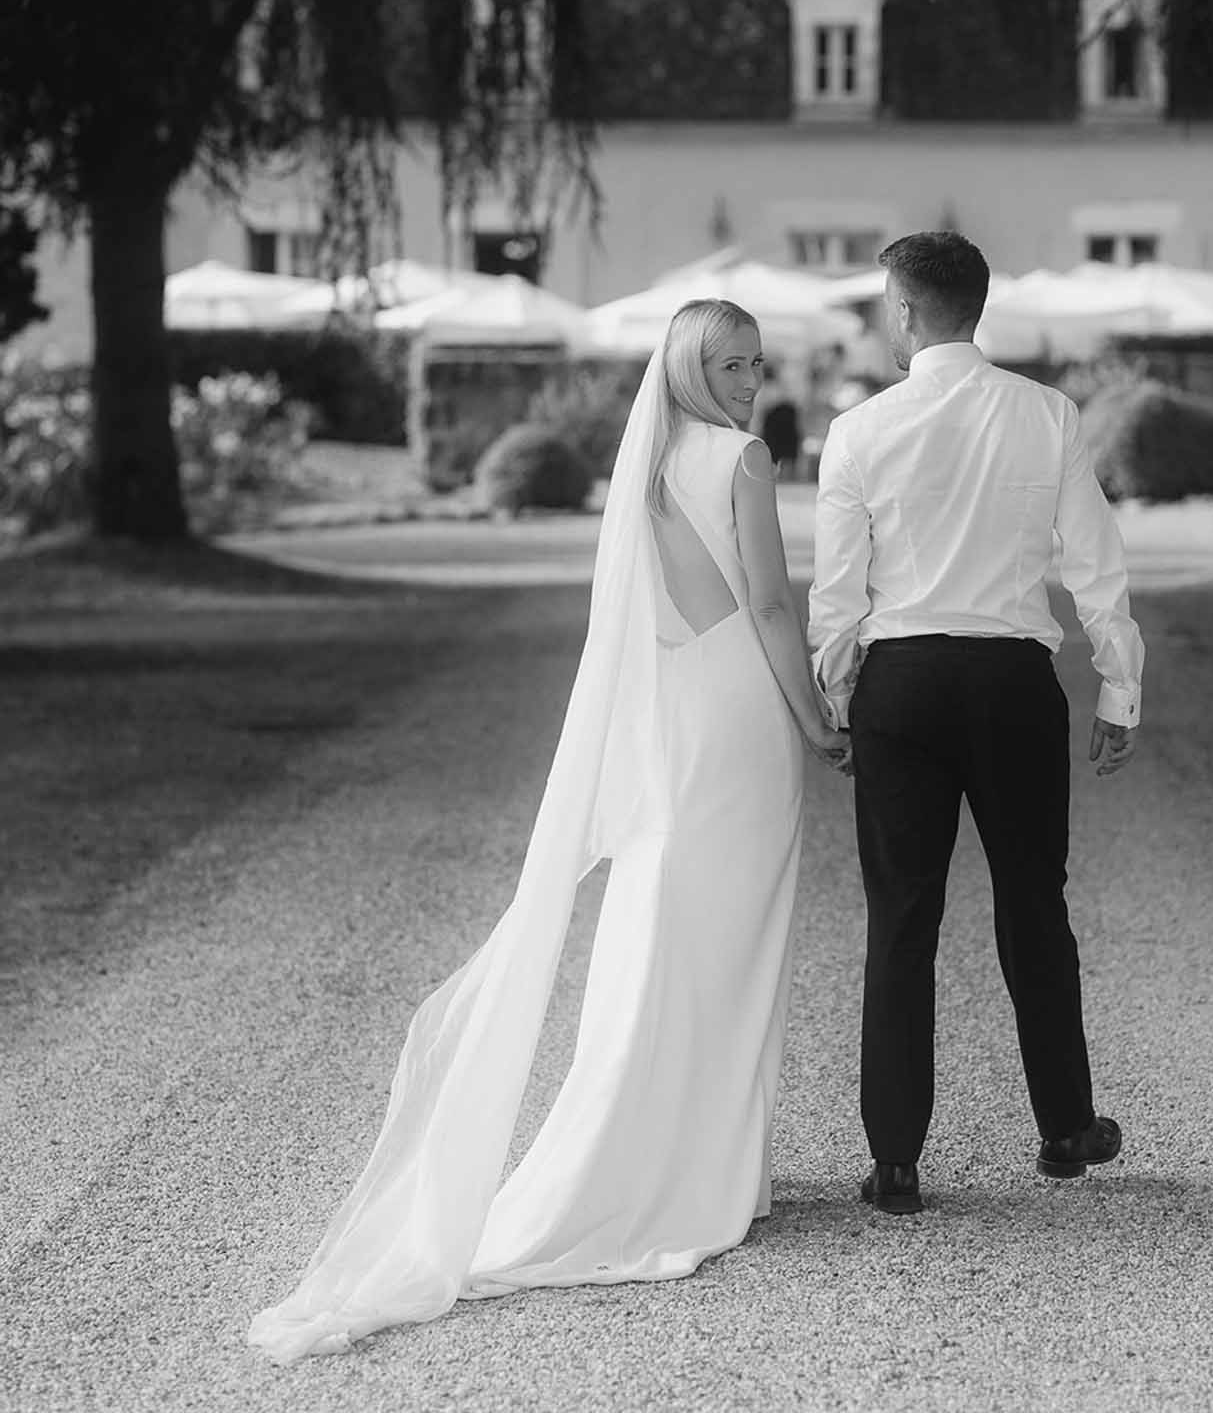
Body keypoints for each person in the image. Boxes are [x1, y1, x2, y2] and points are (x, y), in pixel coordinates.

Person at [249, 300, 850, 1363]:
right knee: (731, 932)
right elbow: (767, 605)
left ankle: (690, 1153)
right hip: (740, 710)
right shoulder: (743, 456)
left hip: (677, 708)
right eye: (730, 362)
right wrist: (816, 720)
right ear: (687, 367)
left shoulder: (648, 462)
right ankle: (708, 1168)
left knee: (672, 922)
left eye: (756, 361)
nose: (752, 378)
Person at [808, 232, 1143, 1216]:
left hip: (903, 684)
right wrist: (1119, 689)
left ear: (906, 312)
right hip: (1010, 683)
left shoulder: (860, 429)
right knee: (1035, 901)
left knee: (902, 918)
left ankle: (897, 1160)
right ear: (978, 307)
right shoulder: (1048, 414)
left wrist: (838, 705)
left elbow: (839, 597)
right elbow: (1096, 563)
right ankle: (1065, 1127)